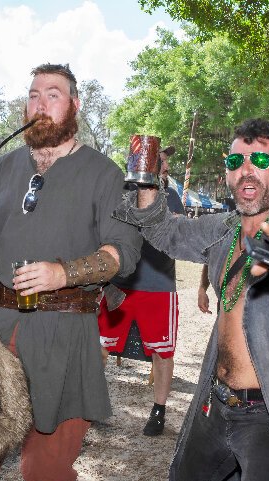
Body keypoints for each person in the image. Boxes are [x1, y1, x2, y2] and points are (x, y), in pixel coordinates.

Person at [0, 63, 141, 481]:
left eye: (53, 94)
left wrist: (62, 273)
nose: (40, 104)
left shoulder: (103, 173)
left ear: (74, 105)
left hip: (66, 336)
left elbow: (122, 254)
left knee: (48, 476)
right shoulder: (8, 166)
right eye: (33, 95)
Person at [114, 118, 269, 481]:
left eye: (260, 162)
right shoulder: (222, 229)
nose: (246, 170)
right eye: (236, 162)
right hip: (215, 404)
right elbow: (164, 231)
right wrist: (148, 184)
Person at [98, 145, 185, 437]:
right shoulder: (119, 192)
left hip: (159, 285)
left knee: (163, 351)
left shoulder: (170, 195)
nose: (164, 164)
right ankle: (93, 403)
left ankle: (158, 411)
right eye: (157, 158)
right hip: (120, 283)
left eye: (163, 161)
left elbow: (178, 238)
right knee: (100, 345)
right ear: (137, 160)